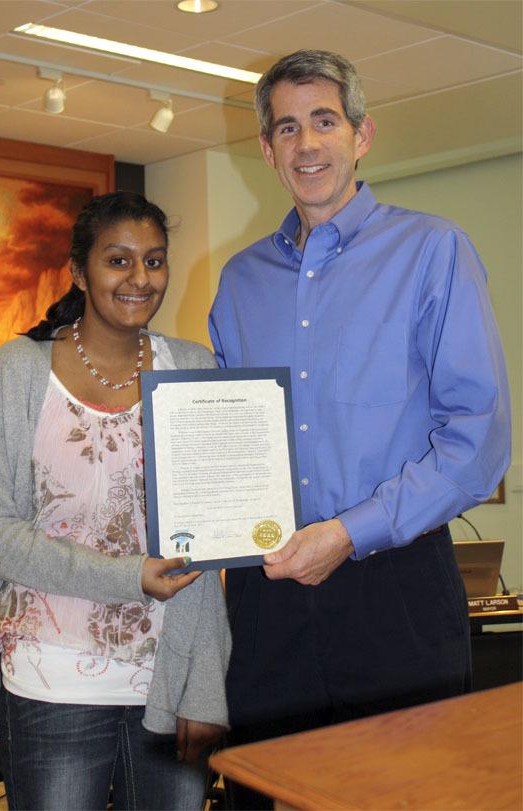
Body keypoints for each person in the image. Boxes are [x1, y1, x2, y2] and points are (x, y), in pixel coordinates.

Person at [208, 50, 510, 809]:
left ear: (361, 133)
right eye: (287, 127)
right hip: (266, 593)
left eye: (324, 121)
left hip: (395, 589)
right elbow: (224, 436)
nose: (307, 144)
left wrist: (348, 531)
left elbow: (478, 440)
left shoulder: (431, 251)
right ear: (268, 149)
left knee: (411, 794)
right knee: (263, 790)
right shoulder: (240, 281)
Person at [0, 191, 231, 811]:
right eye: (118, 260)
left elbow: (209, 544)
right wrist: (129, 577)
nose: (140, 278)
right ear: (79, 271)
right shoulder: (19, 370)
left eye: (154, 262)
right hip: (53, 680)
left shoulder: (195, 369)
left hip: (168, 674)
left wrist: (205, 686)